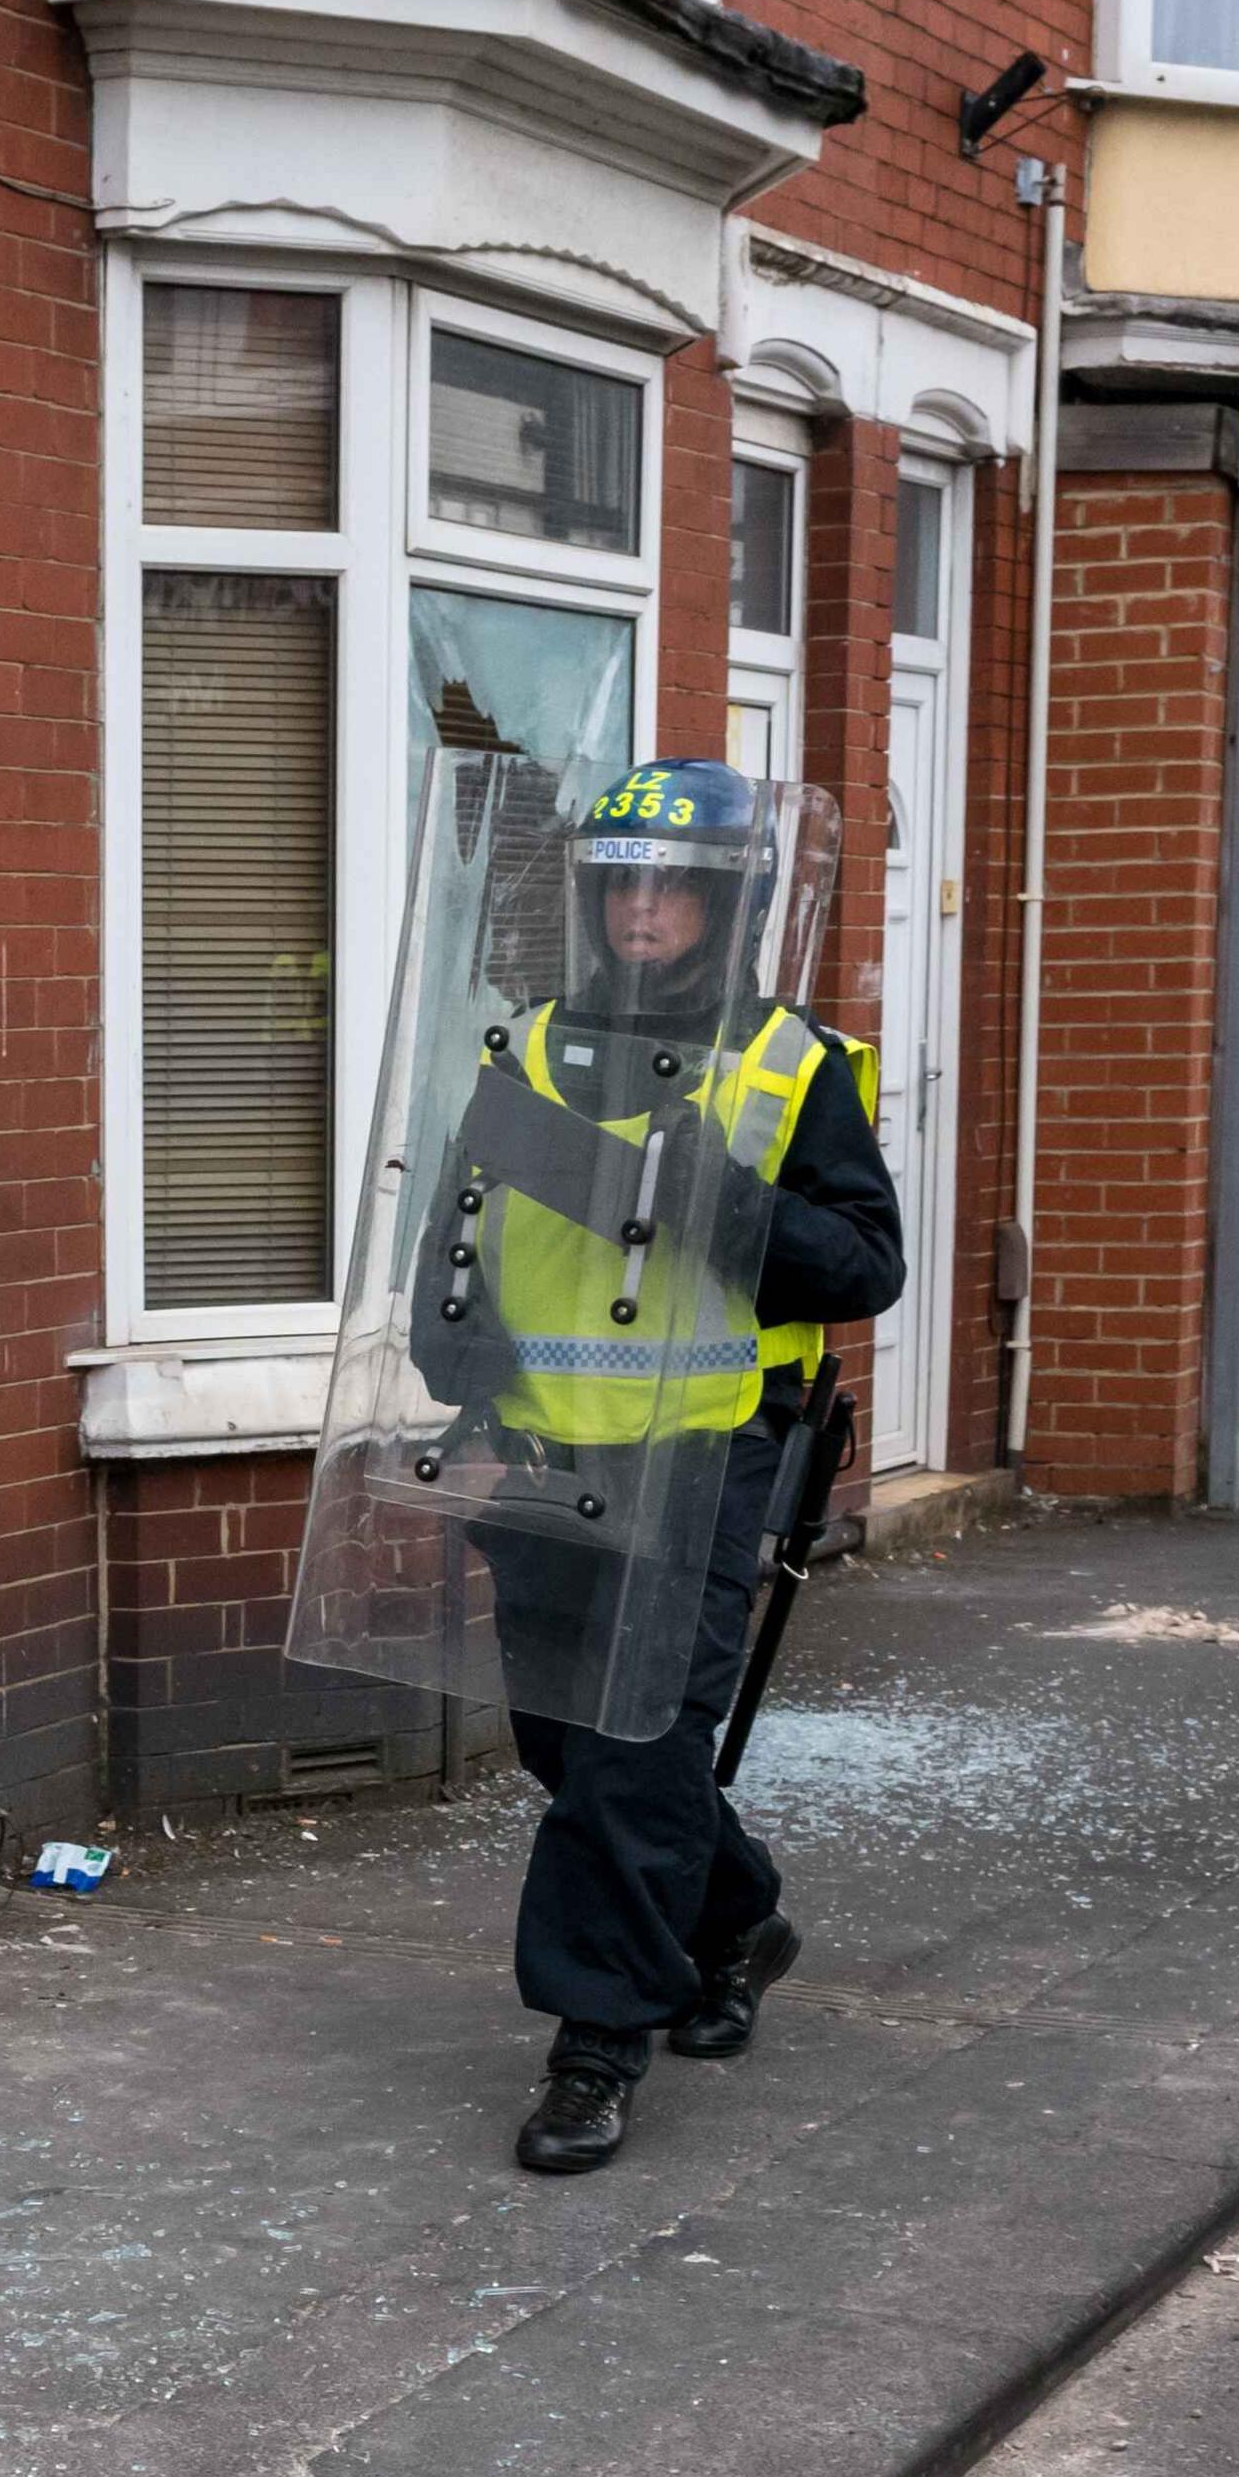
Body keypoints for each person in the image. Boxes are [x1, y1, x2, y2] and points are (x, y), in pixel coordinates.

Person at [409, 759, 902, 2176]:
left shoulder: (788, 1064)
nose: (644, 908)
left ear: (722, 905)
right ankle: (736, 1916)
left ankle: (595, 2046)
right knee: (573, 1743)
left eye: (674, 886)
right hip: (552, 1455)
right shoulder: (528, 1048)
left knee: (629, 1756)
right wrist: (469, 1373)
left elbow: (867, 1265)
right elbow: (457, 1243)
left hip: (707, 1459)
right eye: (621, 881)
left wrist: (725, 1208)